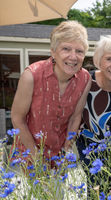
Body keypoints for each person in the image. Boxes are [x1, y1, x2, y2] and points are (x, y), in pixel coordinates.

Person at [11, 20, 91, 166]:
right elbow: (17, 118)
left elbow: (75, 118)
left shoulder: (85, 78)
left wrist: (66, 151)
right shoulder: (32, 75)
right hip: (28, 155)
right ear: (53, 52)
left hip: (58, 158)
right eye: (66, 49)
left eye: (79, 51)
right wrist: (36, 158)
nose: (73, 57)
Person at [75, 35, 111, 198]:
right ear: (99, 61)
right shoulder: (86, 79)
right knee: (95, 188)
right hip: (89, 145)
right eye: (109, 59)